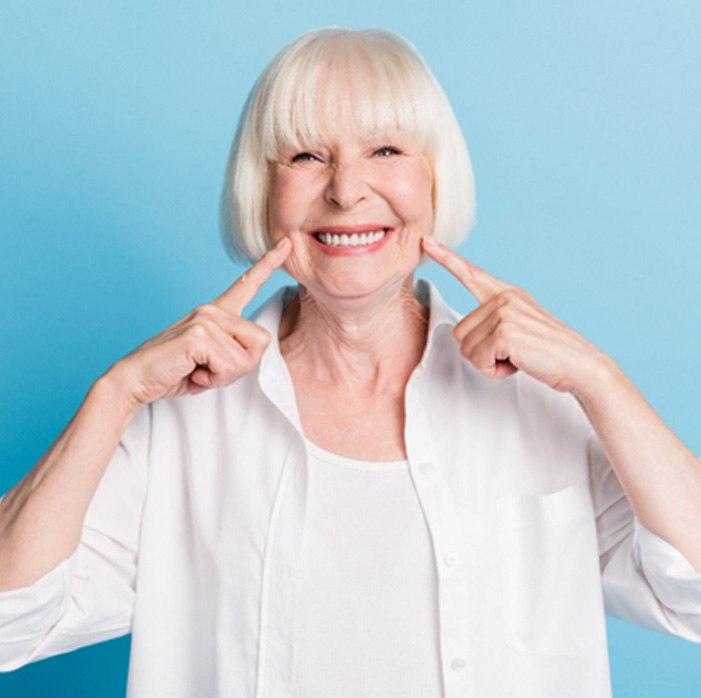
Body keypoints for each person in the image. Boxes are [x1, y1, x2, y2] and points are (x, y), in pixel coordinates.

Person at [0, 26, 699, 698]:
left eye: (387, 150)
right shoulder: (177, 426)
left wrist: (600, 381)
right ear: (262, 191)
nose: (345, 190)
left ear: (434, 180)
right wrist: (114, 393)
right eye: (305, 156)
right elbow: (7, 625)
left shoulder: (545, 406)